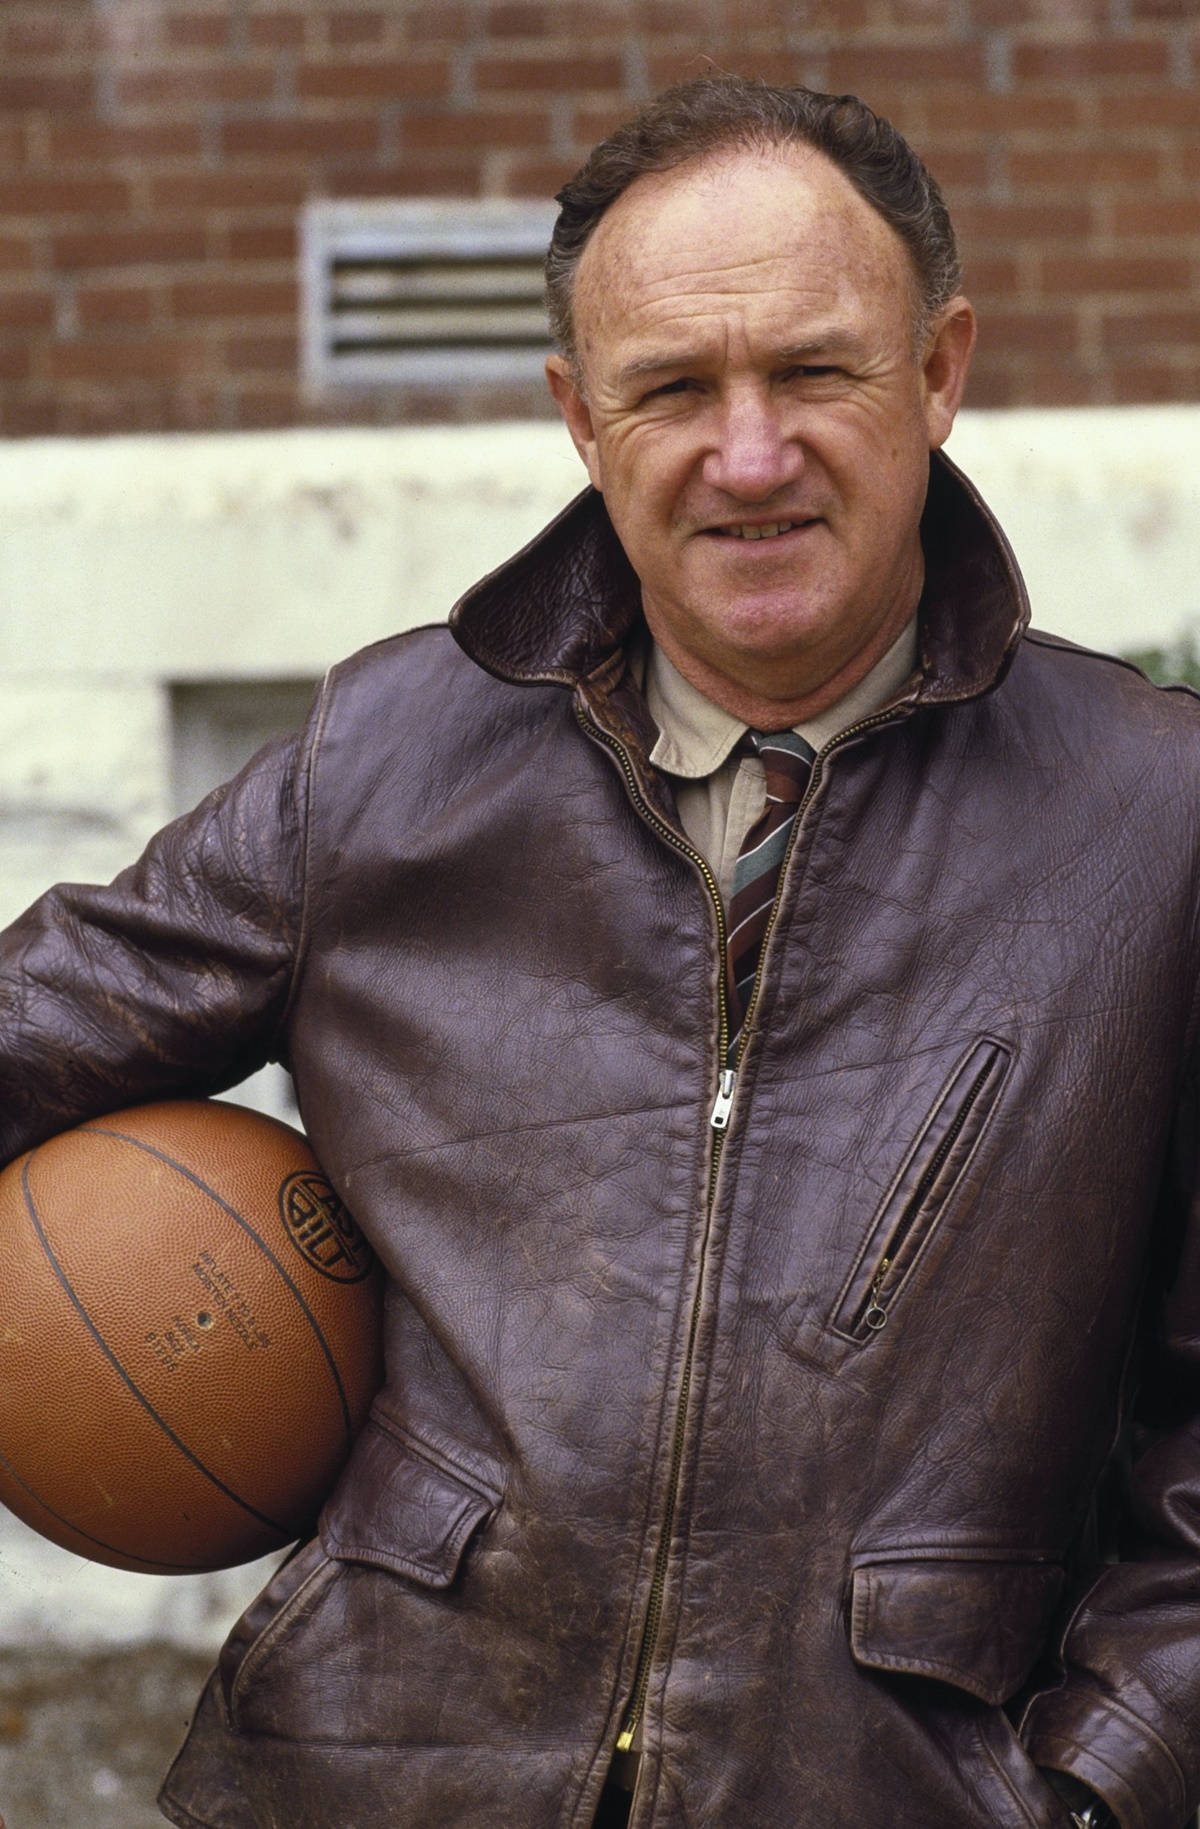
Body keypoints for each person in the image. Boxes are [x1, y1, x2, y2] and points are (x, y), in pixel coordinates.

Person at [0, 73, 1196, 1829]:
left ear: (940, 371)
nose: (751, 452)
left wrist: (1103, 1785)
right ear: (578, 415)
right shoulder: (393, 756)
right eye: (672, 387)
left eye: (814, 370)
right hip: (381, 1775)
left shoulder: (1155, 824)